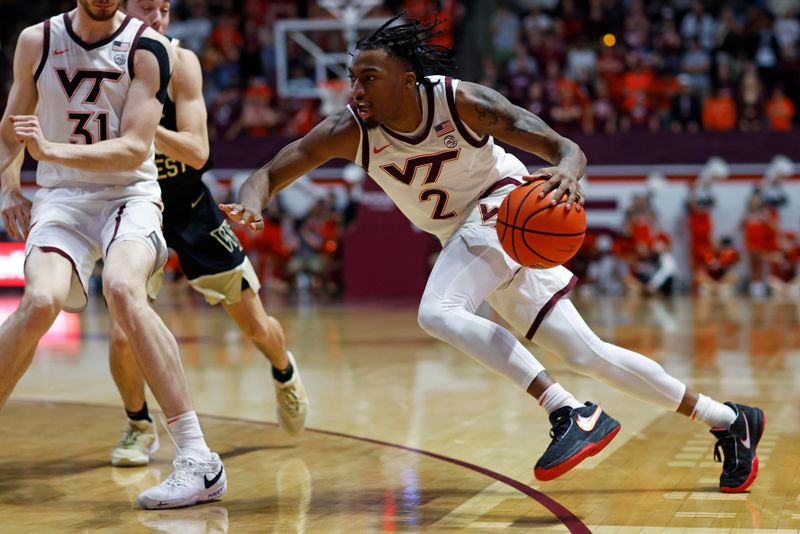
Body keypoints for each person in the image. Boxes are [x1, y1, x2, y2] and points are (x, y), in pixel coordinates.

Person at [220, 16, 764, 492]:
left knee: (438, 312)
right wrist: (251, 201)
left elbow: (564, 149)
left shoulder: (462, 102)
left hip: (503, 208)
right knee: (586, 354)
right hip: (462, 234)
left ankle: (569, 411)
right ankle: (729, 420)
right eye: (353, 78)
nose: (355, 90)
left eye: (369, 78)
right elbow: (269, 173)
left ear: (408, 80)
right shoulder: (348, 131)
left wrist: (568, 174)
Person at [0, 0, 224, 509]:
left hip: (130, 193)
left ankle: (198, 459)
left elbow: (133, 146)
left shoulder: (148, 47)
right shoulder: (37, 41)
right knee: (40, 300)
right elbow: (13, 123)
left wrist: (52, 151)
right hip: (62, 199)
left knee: (124, 289)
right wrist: (8, 184)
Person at [99, 0, 308, 469]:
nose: (157, 19)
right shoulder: (101, 65)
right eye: (146, 9)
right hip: (135, 205)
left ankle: (284, 370)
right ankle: (138, 425)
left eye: (164, 10)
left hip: (191, 206)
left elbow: (197, 153)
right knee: (119, 334)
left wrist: (148, 130)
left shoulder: (181, 61)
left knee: (255, 325)